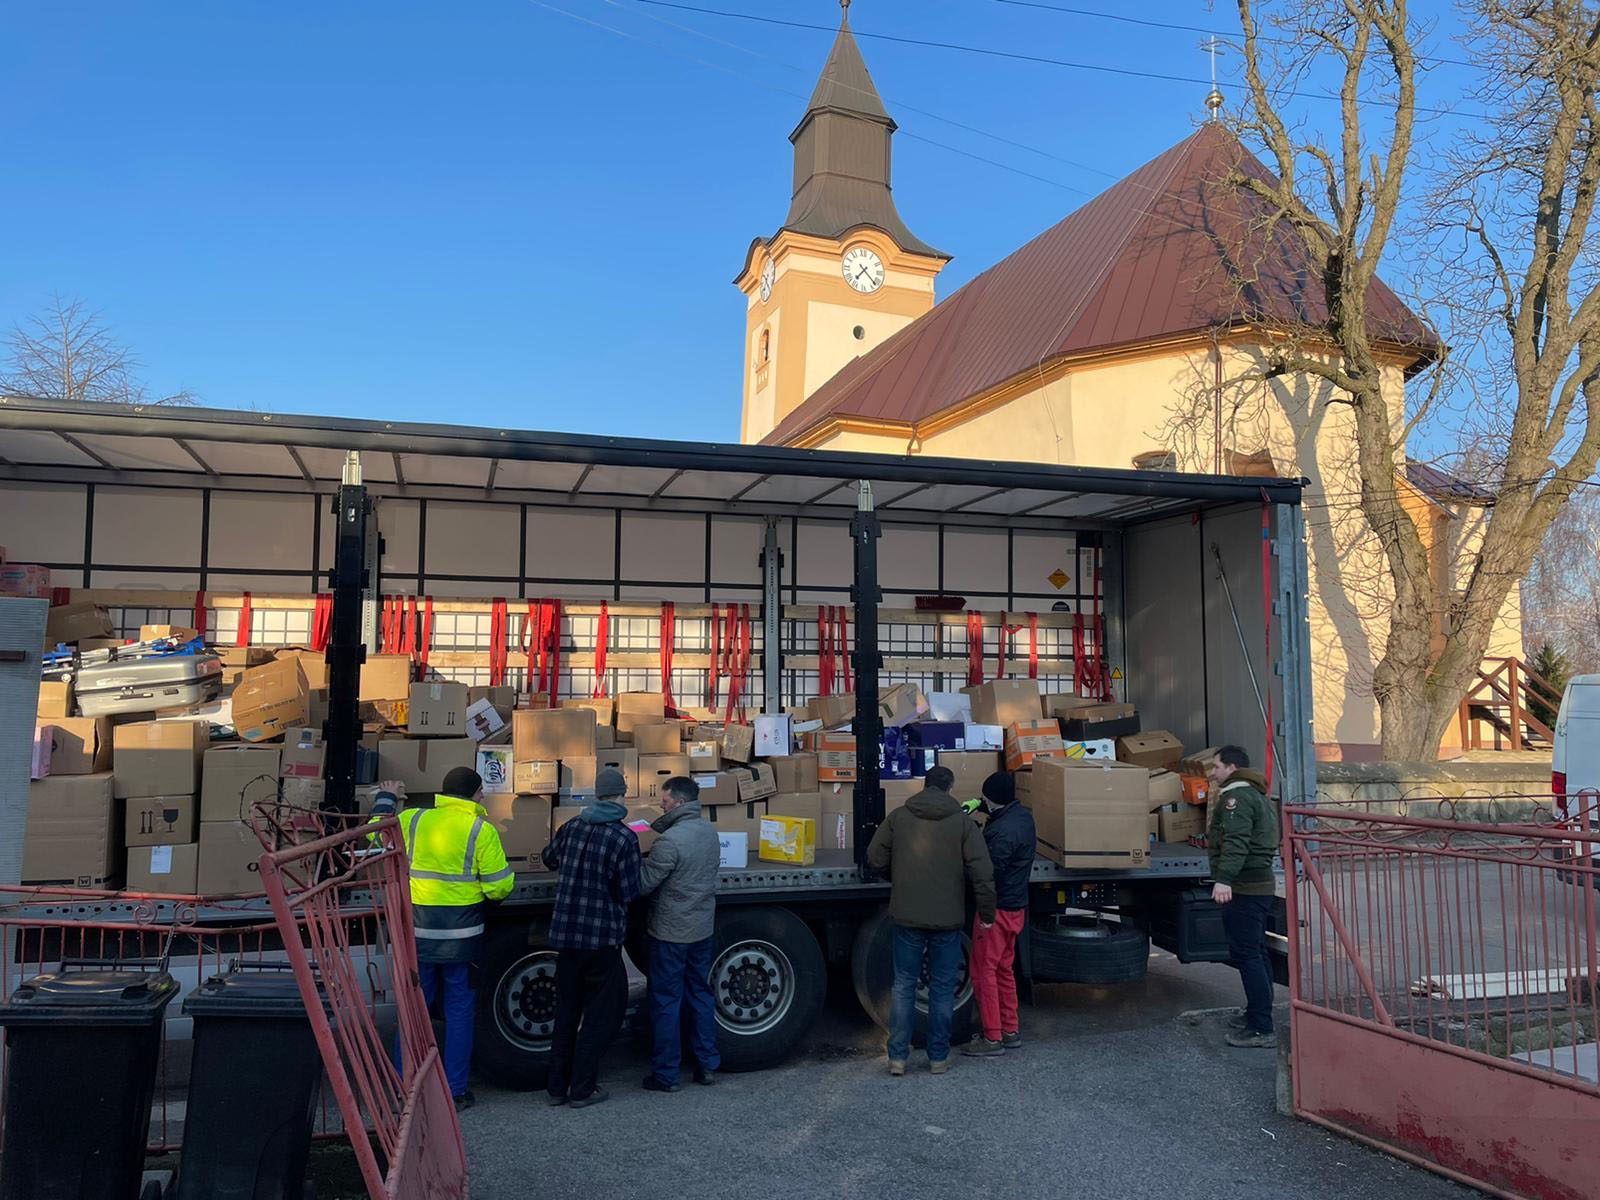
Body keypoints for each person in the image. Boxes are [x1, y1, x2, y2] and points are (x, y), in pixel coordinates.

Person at [375, 767, 514, 1112]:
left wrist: (387, 798)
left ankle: (404, 1087)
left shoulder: (413, 819)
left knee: (415, 1011)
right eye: (482, 792)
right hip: (461, 941)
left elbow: (375, 836)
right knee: (459, 1014)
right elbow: (499, 887)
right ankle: (455, 1090)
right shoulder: (481, 830)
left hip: (418, 934)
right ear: (475, 793)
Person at [866, 764, 996, 1076]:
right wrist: (987, 913)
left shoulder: (899, 816)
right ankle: (938, 1057)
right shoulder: (963, 823)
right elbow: (983, 872)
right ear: (950, 788)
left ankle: (897, 1057)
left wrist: (896, 876)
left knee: (904, 986)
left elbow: (874, 856)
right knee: (941, 988)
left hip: (907, 916)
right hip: (948, 920)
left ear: (924, 786)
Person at [540, 767, 642, 1108]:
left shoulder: (571, 827)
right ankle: (582, 1088)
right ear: (620, 796)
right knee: (600, 1015)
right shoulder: (624, 838)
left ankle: (556, 1088)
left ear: (597, 794)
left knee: (567, 1011)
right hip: (602, 939)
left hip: (566, 936)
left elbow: (549, 859)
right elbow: (629, 891)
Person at [637, 775, 722, 1093]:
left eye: (666, 800)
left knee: (666, 1001)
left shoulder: (669, 842)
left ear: (680, 803)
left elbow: (644, 885)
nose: (661, 804)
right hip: (701, 929)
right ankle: (706, 1064)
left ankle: (666, 1073)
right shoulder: (709, 833)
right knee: (700, 994)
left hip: (671, 933)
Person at [1206, 745, 1281, 1049]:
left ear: (1232, 768)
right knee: (1257, 952)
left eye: (1217, 767)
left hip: (1245, 888)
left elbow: (1236, 842)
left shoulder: (1236, 799)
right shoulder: (1257, 795)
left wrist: (1224, 880)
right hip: (1257, 885)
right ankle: (1257, 1013)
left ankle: (1261, 1028)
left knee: (1247, 955)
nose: (1214, 773)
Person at [962, 771, 1035, 1057]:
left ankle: (991, 1038)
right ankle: (1009, 1029)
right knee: (1004, 970)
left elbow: (988, 874)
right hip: (1016, 908)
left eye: (985, 799)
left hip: (996, 911)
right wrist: (983, 807)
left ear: (995, 801)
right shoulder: (1022, 817)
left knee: (983, 972)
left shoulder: (1002, 833)